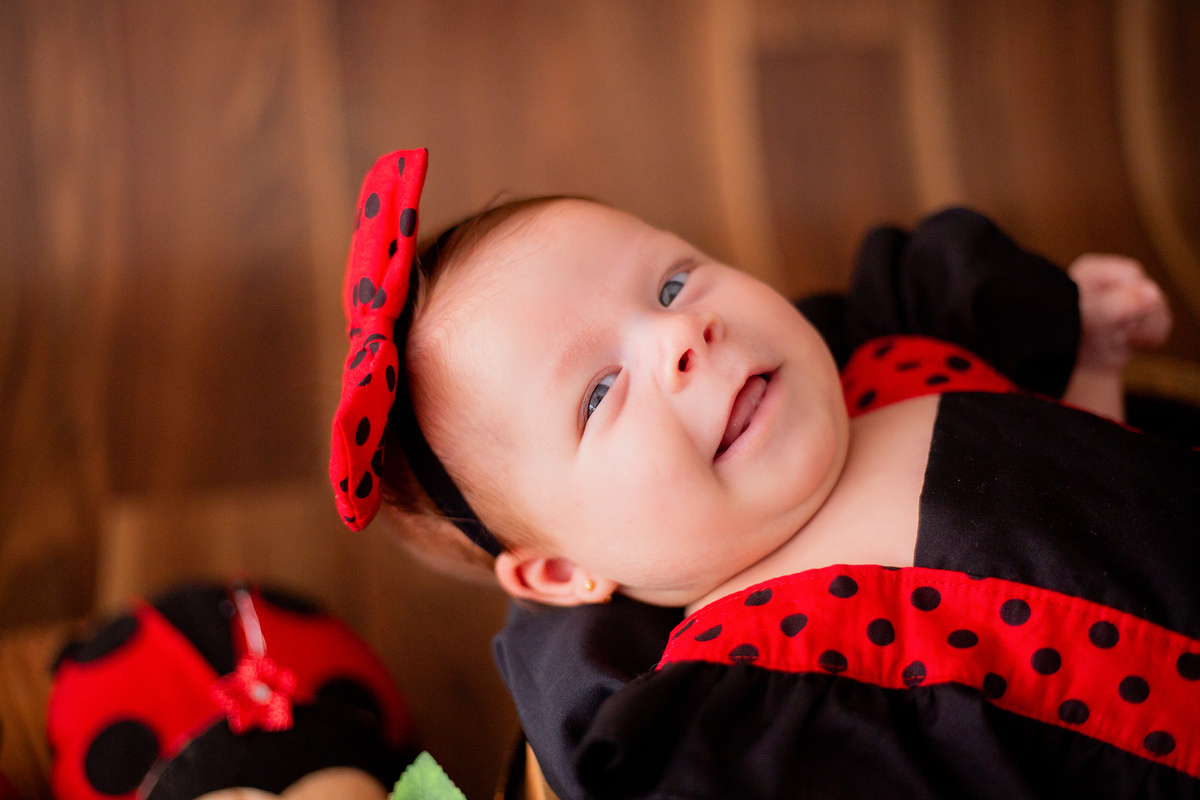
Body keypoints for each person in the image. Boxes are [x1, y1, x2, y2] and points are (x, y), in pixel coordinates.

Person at [331, 150, 1197, 799]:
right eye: (598, 394)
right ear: (562, 573)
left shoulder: (902, 353)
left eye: (672, 284)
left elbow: (1096, 493)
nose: (682, 337)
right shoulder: (757, 696)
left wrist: (1088, 360)